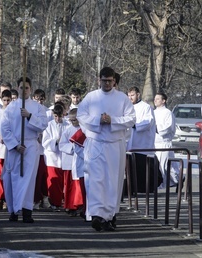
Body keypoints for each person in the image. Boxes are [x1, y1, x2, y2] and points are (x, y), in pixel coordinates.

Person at [77, 67, 136, 231]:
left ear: (114, 81)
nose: (107, 83)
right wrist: (98, 120)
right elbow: (81, 116)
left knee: (112, 181)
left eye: (110, 81)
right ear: (99, 80)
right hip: (96, 143)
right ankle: (96, 215)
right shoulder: (91, 97)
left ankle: (109, 216)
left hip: (114, 144)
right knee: (96, 180)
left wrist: (112, 120)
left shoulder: (122, 98)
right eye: (104, 80)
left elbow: (131, 119)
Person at [0, 77, 48, 223]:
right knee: (13, 178)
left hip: (30, 146)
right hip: (15, 147)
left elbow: (43, 125)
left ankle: (27, 211)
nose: (24, 90)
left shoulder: (37, 107)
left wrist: (29, 116)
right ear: (18, 88)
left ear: (30, 89)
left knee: (28, 179)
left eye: (27, 88)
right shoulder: (11, 107)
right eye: (21, 87)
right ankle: (14, 210)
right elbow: (4, 128)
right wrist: (14, 145)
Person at [126, 86, 156, 194]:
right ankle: (132, 189)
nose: (130, 98)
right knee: (131, 169)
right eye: (128, 95)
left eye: (132, 95)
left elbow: (148, 122)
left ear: (138, 95)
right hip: (129, 144)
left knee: (142, 169)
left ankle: (144, 189)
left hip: (142, 144)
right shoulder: (126, 107)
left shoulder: (146, 107)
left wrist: (134, 125)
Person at [42, 103, 70, 210]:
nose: (58, 119)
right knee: (54, 180)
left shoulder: (67, 125)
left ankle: (65, 201)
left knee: (64, 181)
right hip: (52, 157)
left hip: (64, 156)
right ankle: (54, 202)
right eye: (55, 116)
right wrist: (56, 142)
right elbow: (45, 141)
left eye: (60, 116)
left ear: (63, 114)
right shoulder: (49, 125)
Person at [59, 108, 85, 217]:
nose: (72, 122)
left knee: (79, 185)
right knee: (69, 185)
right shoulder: (68, 130)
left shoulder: (85, 130)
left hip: (81, 160)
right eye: (71, 120)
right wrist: (72, 147)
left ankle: (80, 205)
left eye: (74, 120)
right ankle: (70, 206)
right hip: (70, 160)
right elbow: (62, 144)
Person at [153, 92, 181, 190]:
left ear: (163, 101)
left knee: (164, 165)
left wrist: (156, 128)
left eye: (158, 99)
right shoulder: (153, 112)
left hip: (164, 142)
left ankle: (174, 180)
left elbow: (168, 127)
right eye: (155, 98)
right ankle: (178, 180)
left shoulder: (168, 113)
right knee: (167, 166)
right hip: (154, 143)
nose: (155, 100)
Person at [0, 89, 12, 210]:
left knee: (8, 173)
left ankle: (7, 198)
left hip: (10, 146)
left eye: (8, 100)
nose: (6, 102)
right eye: (4, 100)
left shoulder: (14, 113)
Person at [32, 89, 51, 209]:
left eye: (41, 99)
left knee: (42, 175)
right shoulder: (31, 109)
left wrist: (43, 137)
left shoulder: (48, 112)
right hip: (34, 145)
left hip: (44, 148)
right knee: (35, 175)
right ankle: (35, 199)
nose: (39, 101)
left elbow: (49, 128)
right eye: (37, 98)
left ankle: (43, 198)